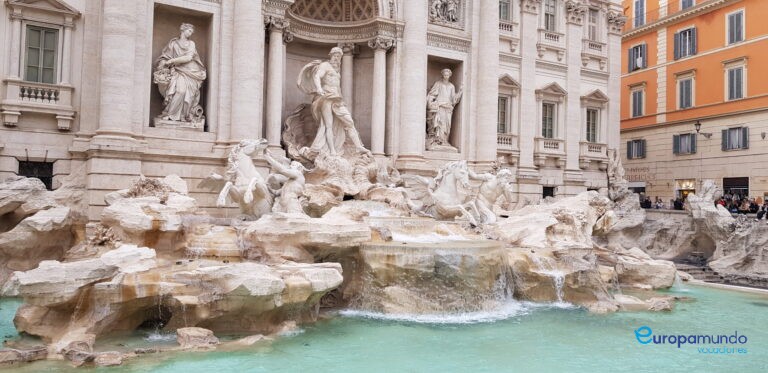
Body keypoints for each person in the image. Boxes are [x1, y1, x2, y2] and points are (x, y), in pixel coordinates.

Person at [297, 47, 369, 157]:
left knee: (349, 122)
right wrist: (319, 88)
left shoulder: (337, 70)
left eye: (339, 57)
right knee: (328, 125)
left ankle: (358, 146)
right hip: (326, 96)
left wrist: (342, 100)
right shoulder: (325, 66)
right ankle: (332, 151)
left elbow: (337, 86)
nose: (337, 58)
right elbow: (317, 76)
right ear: (331, 55)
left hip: (337, 98)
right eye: (335, 56)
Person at [155, 23, 207, 123]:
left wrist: (172, 61)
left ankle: (183, 115)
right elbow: (165, 56)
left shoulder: (191, 43)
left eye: (192, 32)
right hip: (178, 71)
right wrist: (163, 64)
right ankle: (171, 115)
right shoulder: (173, 43)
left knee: (188, 95)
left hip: (191, 72)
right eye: (189, 31)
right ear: (183, 30)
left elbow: (189, 57)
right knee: (180, 91)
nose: (190, 33)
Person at [426, 68, 463, 150]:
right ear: (442, 75)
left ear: (450, 75)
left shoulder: (451, 86)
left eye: (447, 75)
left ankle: (445, 141)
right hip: (440, 107)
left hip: (448, 108)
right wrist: (430, 102)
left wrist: (460, 91)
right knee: (440, 124)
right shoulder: (438, 84)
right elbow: (432, 95)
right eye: (445, 74)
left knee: (447, 125)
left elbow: (454, 99)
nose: (446, 76)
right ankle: (438, 140)